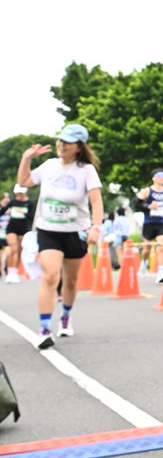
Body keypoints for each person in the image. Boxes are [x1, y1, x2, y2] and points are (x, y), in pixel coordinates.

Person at [16, 123, 103, 349]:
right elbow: (24, 182)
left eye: (68, 142)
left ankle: (65, 316)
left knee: (71, 281)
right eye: (60, 140)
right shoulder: (49, 166)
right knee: (51, 276)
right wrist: (26, 159)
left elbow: (96, 201)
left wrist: (96, 226)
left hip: (75, 232)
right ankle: (44, 329)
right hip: (49, 231)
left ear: (79, 147)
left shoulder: (86, 170)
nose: (62, 145)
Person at [137, 169, 163, 270]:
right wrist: (149, 207)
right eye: (159, 176)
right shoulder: (147, 191)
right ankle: (144, 262)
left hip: (162, 223)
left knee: (161, 246)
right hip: (149, 223)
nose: (162, 178)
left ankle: (161, 271)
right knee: (147, 248)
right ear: (153, 178)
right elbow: (137, 205)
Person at [4, 184, 36, 283]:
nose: (19, 194)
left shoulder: (30, 203)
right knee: (13, 249)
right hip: (11, 228)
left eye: (21, 192)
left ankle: (15, 273)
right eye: (18, 192)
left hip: (23, 229)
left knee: (19, 252)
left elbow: (32, 216)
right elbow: (3, 211)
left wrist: (23, 212)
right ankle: (10, 272)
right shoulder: (12, 202)